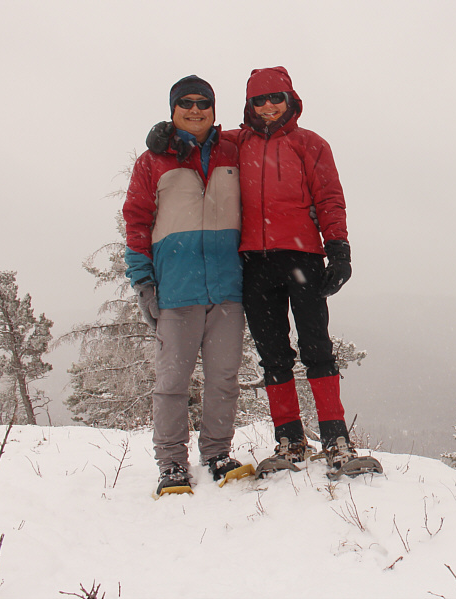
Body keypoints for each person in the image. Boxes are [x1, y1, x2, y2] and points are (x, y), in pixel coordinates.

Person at [146, 67, 380, 478]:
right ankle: (289, 439)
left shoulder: (311, 144)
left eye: (276, 98)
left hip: (303, 258)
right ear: (249, 104)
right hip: (254, 262)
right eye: (259, 100)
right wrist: (165, 137)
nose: (268, 106)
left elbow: (329, 197)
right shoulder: (238, 143)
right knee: (273, 354)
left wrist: (338, 249)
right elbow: (201, 141)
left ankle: (336, 439)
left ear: (291, 101)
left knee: (317, 348)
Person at [125, 75, 251, 496]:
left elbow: (266, 136)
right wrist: (143, 282)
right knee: (172, 384)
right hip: (177, 290)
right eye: (186, 103)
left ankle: (216, 453)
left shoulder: (233, 150)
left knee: (224, 380)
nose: (195, 110)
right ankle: (172, 464)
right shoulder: (152, 161)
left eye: (203, 103)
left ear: (214, 109)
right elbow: (136, 223)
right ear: (173, 110)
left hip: (228, 289)